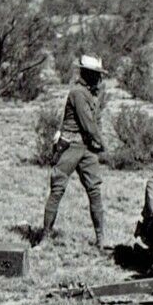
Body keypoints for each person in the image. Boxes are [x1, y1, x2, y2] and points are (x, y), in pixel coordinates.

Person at [39, 55, 107, 250]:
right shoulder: (78, 93)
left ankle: (101, 238)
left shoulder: (90, 94)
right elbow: (88, 124)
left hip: (86, 147)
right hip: (71, 145)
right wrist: (102, 144)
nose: (98, 79)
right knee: (57, 189)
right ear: (87, 74)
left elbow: (93, 122)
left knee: (94, 191)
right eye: (95, 74)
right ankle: (45, 237)